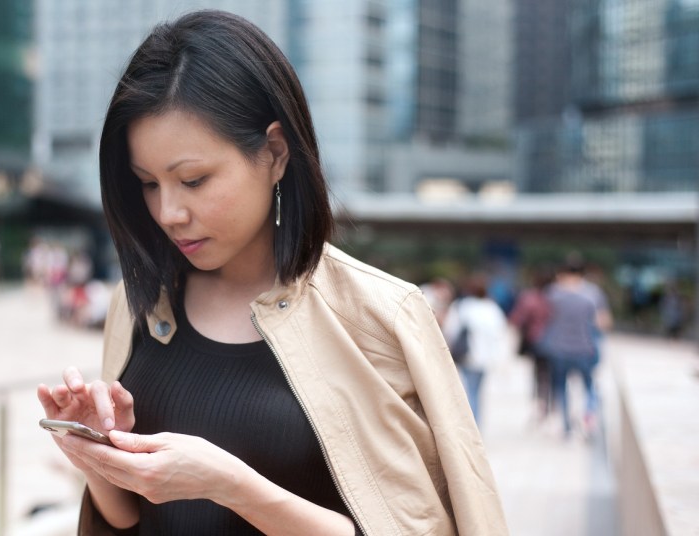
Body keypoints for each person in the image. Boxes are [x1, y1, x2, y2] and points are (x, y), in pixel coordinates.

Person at [36, 10, 507, 536]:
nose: (169, 212)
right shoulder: (141, 302)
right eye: (148, 183)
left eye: (193, 180)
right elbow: (124, 518)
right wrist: (97, 448)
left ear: (276, 153)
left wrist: (231, 485)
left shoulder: (381, 317)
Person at [537, 261, 603, 438]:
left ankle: (567, 426)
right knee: (589, 385)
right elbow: (602, 322)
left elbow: (543, 319)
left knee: (561, 387)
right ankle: (588, 414)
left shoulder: (552, 293)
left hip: (558, 348)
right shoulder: (592, 293)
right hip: (585, 347)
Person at [443, 274, 510, 425]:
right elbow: (500, 334)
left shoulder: (462, 306)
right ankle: (476, 423)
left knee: (469, 390)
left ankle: (471, 424)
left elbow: (450, 330)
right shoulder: (492, 309)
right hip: (485, 357)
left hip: (467, 355)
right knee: (477, 390)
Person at [508, 267, 555, 421]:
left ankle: (539, 403)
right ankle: (549, 404)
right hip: (556, 342)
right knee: (552, 375)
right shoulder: (557, 297)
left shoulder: (529, 297)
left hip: (536, 341)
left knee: (538, 374)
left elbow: (517, 319)